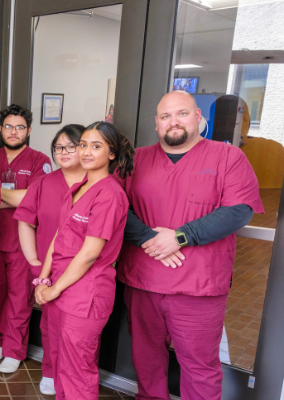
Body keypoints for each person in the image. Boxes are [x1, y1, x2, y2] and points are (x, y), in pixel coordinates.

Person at [119, 91, 263, 400]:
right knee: (146, 361)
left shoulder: (228, 158)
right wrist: (149, 238)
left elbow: (239, 210)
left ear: (199, 117)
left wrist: (180, 237)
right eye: (166, 116)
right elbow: (115, 207)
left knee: (199, 366)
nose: (174, 122)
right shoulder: (136, 159)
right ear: (157, 123)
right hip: (144, 282)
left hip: (198, 285)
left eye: (182, 114)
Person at [34, 122, 133, 399]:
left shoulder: (110, 194)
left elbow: (90, 253)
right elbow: (59, 235)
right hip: (60, 287)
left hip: (84, 294)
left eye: (96, 146)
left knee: (77, 371)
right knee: (61, 365)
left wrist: (54, 288)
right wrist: (44, 279)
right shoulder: (79, 186)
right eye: (84, 145)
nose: (87, 152)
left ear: (112, 153)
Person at [14, 124, 86, 395]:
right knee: (50, 326)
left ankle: (72, 377)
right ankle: (50, 370)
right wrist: (33, 261)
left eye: (71, 146)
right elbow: (25, 221)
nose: (64, 152)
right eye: (58, 147)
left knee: (78, 332)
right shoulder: (44, 183)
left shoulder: (98, 184)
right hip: (48, 271)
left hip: (84, 273)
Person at [0, 104, 51, 374]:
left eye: (20, 127)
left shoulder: (39, 160)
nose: (14, 132)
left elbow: (33, 198)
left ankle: (14, 348)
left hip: (22, 241)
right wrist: (12, 200)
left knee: (20, 294)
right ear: (1, 129)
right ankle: (2, 336)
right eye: (9, 126)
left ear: (29, 131)